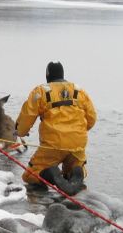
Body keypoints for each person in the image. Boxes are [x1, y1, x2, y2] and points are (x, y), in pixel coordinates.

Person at [16, 61, 96, 194]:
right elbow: (92, 119)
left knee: (30, 176)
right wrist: (78, 131)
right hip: (77, 143)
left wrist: (20, 132)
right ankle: (76, 172)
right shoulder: (79, 91)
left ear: (47, 75)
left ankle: (51, 173)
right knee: (74, 166)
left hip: (53, 145)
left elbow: (27, 116)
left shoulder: (40, 91)